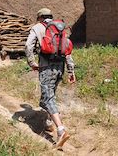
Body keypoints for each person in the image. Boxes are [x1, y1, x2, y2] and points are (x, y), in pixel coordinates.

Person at [25, 8, 76, 149]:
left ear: (40, 17)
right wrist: (71, 70)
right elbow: (67, 51)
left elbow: (28, 45)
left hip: (46, 67)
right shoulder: (59, 28)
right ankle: (48, 123)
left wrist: (31, 62)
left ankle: (61, 130)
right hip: (60, 68)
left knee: (48, 98)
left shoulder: (38, 27)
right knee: (48, 96)